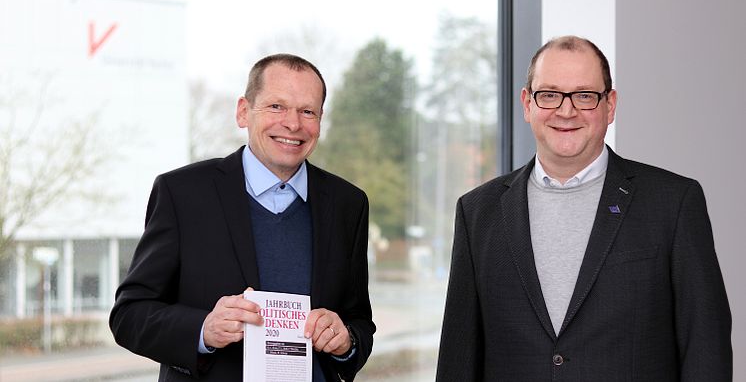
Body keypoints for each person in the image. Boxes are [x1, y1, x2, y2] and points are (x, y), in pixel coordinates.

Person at [435, 36, 732, 381]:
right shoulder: (477, 213)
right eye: (549, 94)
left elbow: (705, 348)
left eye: (585, 96)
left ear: (610, 105)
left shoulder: (674, 202)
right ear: (527, 103)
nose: (566, 110)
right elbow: (458, 359)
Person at [110, 54, 375, 381]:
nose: (293, 123)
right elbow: (129, 315)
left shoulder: (348, 204)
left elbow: (360, 323)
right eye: (276, 106)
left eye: (307, 111)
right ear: (243, 112)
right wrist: (204, 330)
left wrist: (345, 341)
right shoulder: (182, 193)